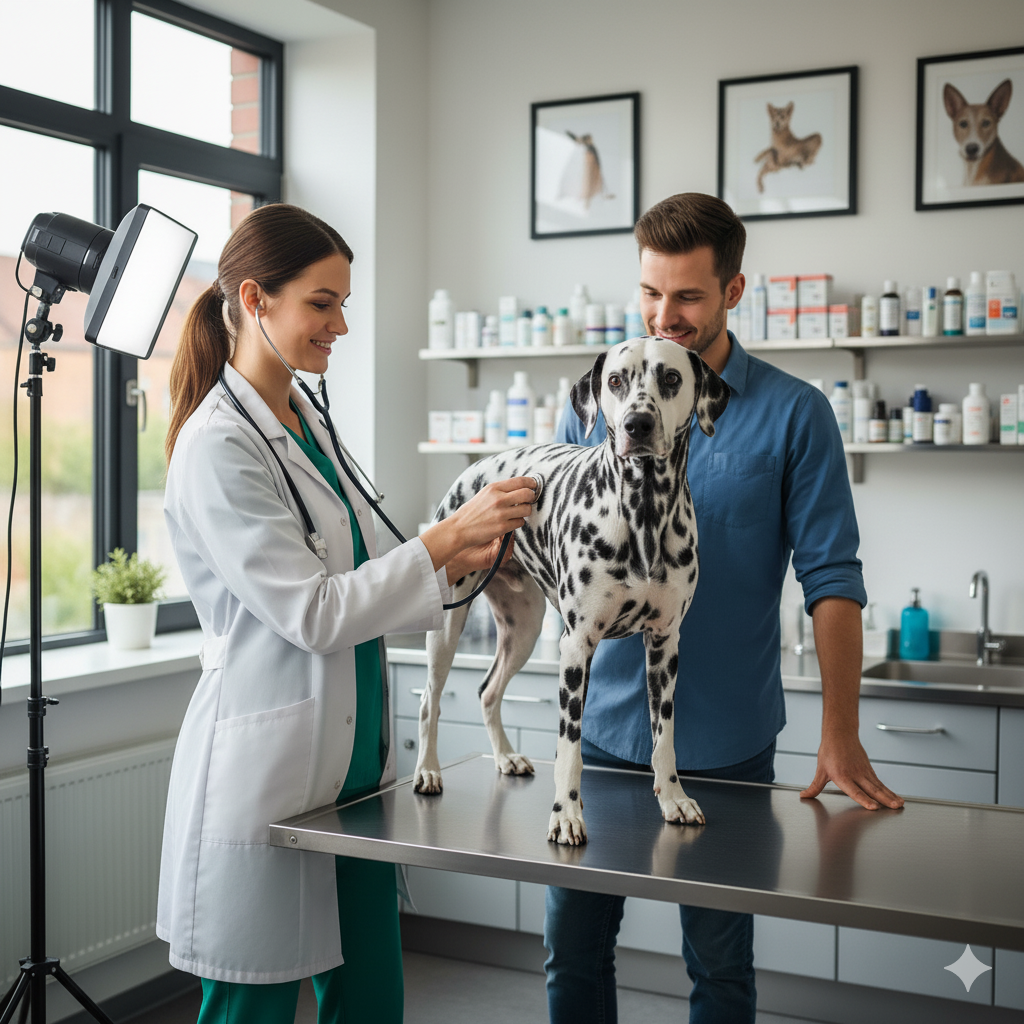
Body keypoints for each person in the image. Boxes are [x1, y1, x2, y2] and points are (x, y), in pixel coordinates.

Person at [156, 203, 536, 1024]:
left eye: (343, 304)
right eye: (321, 304)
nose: (341, 325)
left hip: (356, 777)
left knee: (370, 1002)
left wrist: (465, 559)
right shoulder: (216, 444)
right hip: (271, 771)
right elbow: (315, 612)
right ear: (256, 300)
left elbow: (367, 571)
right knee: (247, 1011)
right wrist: (440, 542)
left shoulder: (309, 418)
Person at [543, 192, 904, 1024]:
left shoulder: (793, 415)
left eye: (688, 298)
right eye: (648, 294)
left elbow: (833, 580)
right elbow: (552, 519)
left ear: (734, 292)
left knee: (719, 966)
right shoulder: (599, 395)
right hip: (597, 738)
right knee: (573, 954)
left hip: (727, 749)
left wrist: (840, 732)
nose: (664, 317)